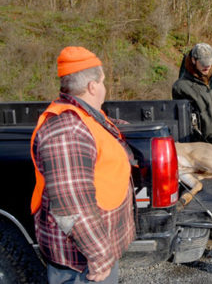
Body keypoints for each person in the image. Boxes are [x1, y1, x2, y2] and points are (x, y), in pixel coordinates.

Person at [30, 46, 136, 283]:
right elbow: (71, 204)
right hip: (82, 263)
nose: (105, 87)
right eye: (103, 81)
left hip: (91, 250)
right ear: (92, 86)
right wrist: (99, 256)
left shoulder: (85, 117)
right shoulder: (67, 132)